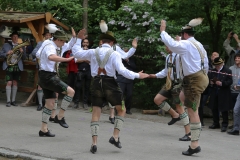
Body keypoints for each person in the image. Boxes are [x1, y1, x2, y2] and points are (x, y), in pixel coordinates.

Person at [72, 28, 149, 154]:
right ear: (112, 43)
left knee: (96, 112)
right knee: (122, 109)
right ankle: (115, 136)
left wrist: (79, 39)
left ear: (101, 41)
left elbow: (76, 53)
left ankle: (94, 143)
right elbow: (122, 71)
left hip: (96, 82)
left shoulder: (92, 51)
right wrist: (137, 75)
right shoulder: (115, 54)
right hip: (110, 83)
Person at [160, 19, 209, 156]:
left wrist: (163, 31)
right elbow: (206, 64)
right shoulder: (198, 44)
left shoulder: (186, 44)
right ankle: (184, 121)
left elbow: (171, 44)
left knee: (193, 110)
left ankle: (194, 144)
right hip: (200, 77)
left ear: (185, 35)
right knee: (181, 98)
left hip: (193, 80)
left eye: (181, 35)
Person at [36, 29, 76, 137]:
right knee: (71, 92)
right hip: (49, 76)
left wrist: (75, 37)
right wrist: (66, 60)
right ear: (58, 40)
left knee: (50, 103)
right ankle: (60, 116)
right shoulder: (50, 46)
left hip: (43, 75)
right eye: (63, 41)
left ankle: (43, 129)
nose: (64, 44)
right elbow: (51, 57)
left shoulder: (48, 43)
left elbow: (38, 54)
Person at [149, 45, 191, 141]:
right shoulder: (168, 57)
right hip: (170, 82)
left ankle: (188, 133)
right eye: (165, 47)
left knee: (179, 107)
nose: (166, 48)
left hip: (179, 84)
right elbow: (165, 71)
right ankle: (175, 115)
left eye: (168, 46)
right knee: (157, 99)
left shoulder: (180, 55)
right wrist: (154, 75)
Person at [0, 31, 26, 107]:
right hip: (9, 66)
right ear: (11, 37)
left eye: (17, 37)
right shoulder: (6, 45)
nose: (15, 38)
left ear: (18, 38)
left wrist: (22, 52)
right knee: (9, 83)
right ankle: (8, 101)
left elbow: (24, 57)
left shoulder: (21, 46)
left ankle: (13, 101)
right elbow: (0, 54)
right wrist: (6, 53)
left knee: (15, 83)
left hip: (17, 66)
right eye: (14, 36)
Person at [208, 57, 233, 132]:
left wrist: (222, 83)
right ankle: (216, 123)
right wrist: (211, 83)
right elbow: (210, 79)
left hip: (223, 92)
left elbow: (230, 81)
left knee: (224, 109)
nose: (217, 67)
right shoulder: (213, 71)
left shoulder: (227, 70)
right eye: (216, 65)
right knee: (214, 108)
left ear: (222, 63)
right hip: (215, 91)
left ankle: (224, 124)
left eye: (218, 65)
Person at [32, 29, 53, 111]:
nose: (48, 36)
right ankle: (40, 104)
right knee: (40, 85)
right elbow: (34, 53)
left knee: (50, 86)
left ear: (51, 36)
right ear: (44, 36)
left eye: (49, 35)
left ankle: (47, 104)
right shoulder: (40, 43)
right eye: (46, 35)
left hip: (51, 68)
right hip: (42, 67)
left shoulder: (53, 44)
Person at [198, 52, 219, 126]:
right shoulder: (207, 63)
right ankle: (200, 120)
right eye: (212, 55)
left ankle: (216, 122)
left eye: (215, 55)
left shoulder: (219, 65)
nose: (213, 56)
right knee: (201, 103)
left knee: (214, 104)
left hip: (215, 87)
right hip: (206, 87)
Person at [73, 38, 91, 109]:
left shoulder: (90, 51)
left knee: (87, 87)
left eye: (87, 42)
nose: (85, 44)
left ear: (88, 44)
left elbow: (90, 61)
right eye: (84, 42)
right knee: (78, 87)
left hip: (88, 70)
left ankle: (85, 103)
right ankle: (76, 102)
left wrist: (83, 59)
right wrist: (84, 60)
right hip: (80, 70)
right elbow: (76, 60)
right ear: (82, 43)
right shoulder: (79, 50)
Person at [228, 53, 240, 129]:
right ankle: (235, 125)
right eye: (236, 58)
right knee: (233, 109)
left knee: (237, 109)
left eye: (238, 58)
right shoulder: (231, 68)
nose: (236, 59)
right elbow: (229, 80)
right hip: (232, 92)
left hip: (239, 92)